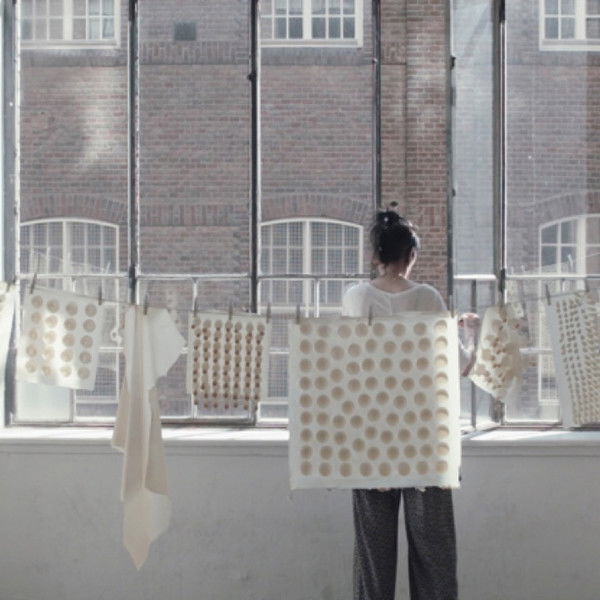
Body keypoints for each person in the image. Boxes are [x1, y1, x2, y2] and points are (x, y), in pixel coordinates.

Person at [341, 206, 480, 600]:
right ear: (412, 255)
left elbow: (346, 364)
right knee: (434, 556)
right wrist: (471, 334)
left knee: (373, 559)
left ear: (375, 255)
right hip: (423, 440)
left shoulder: (355, 298)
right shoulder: (427, 298)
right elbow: (460, 367)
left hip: (370, 439)